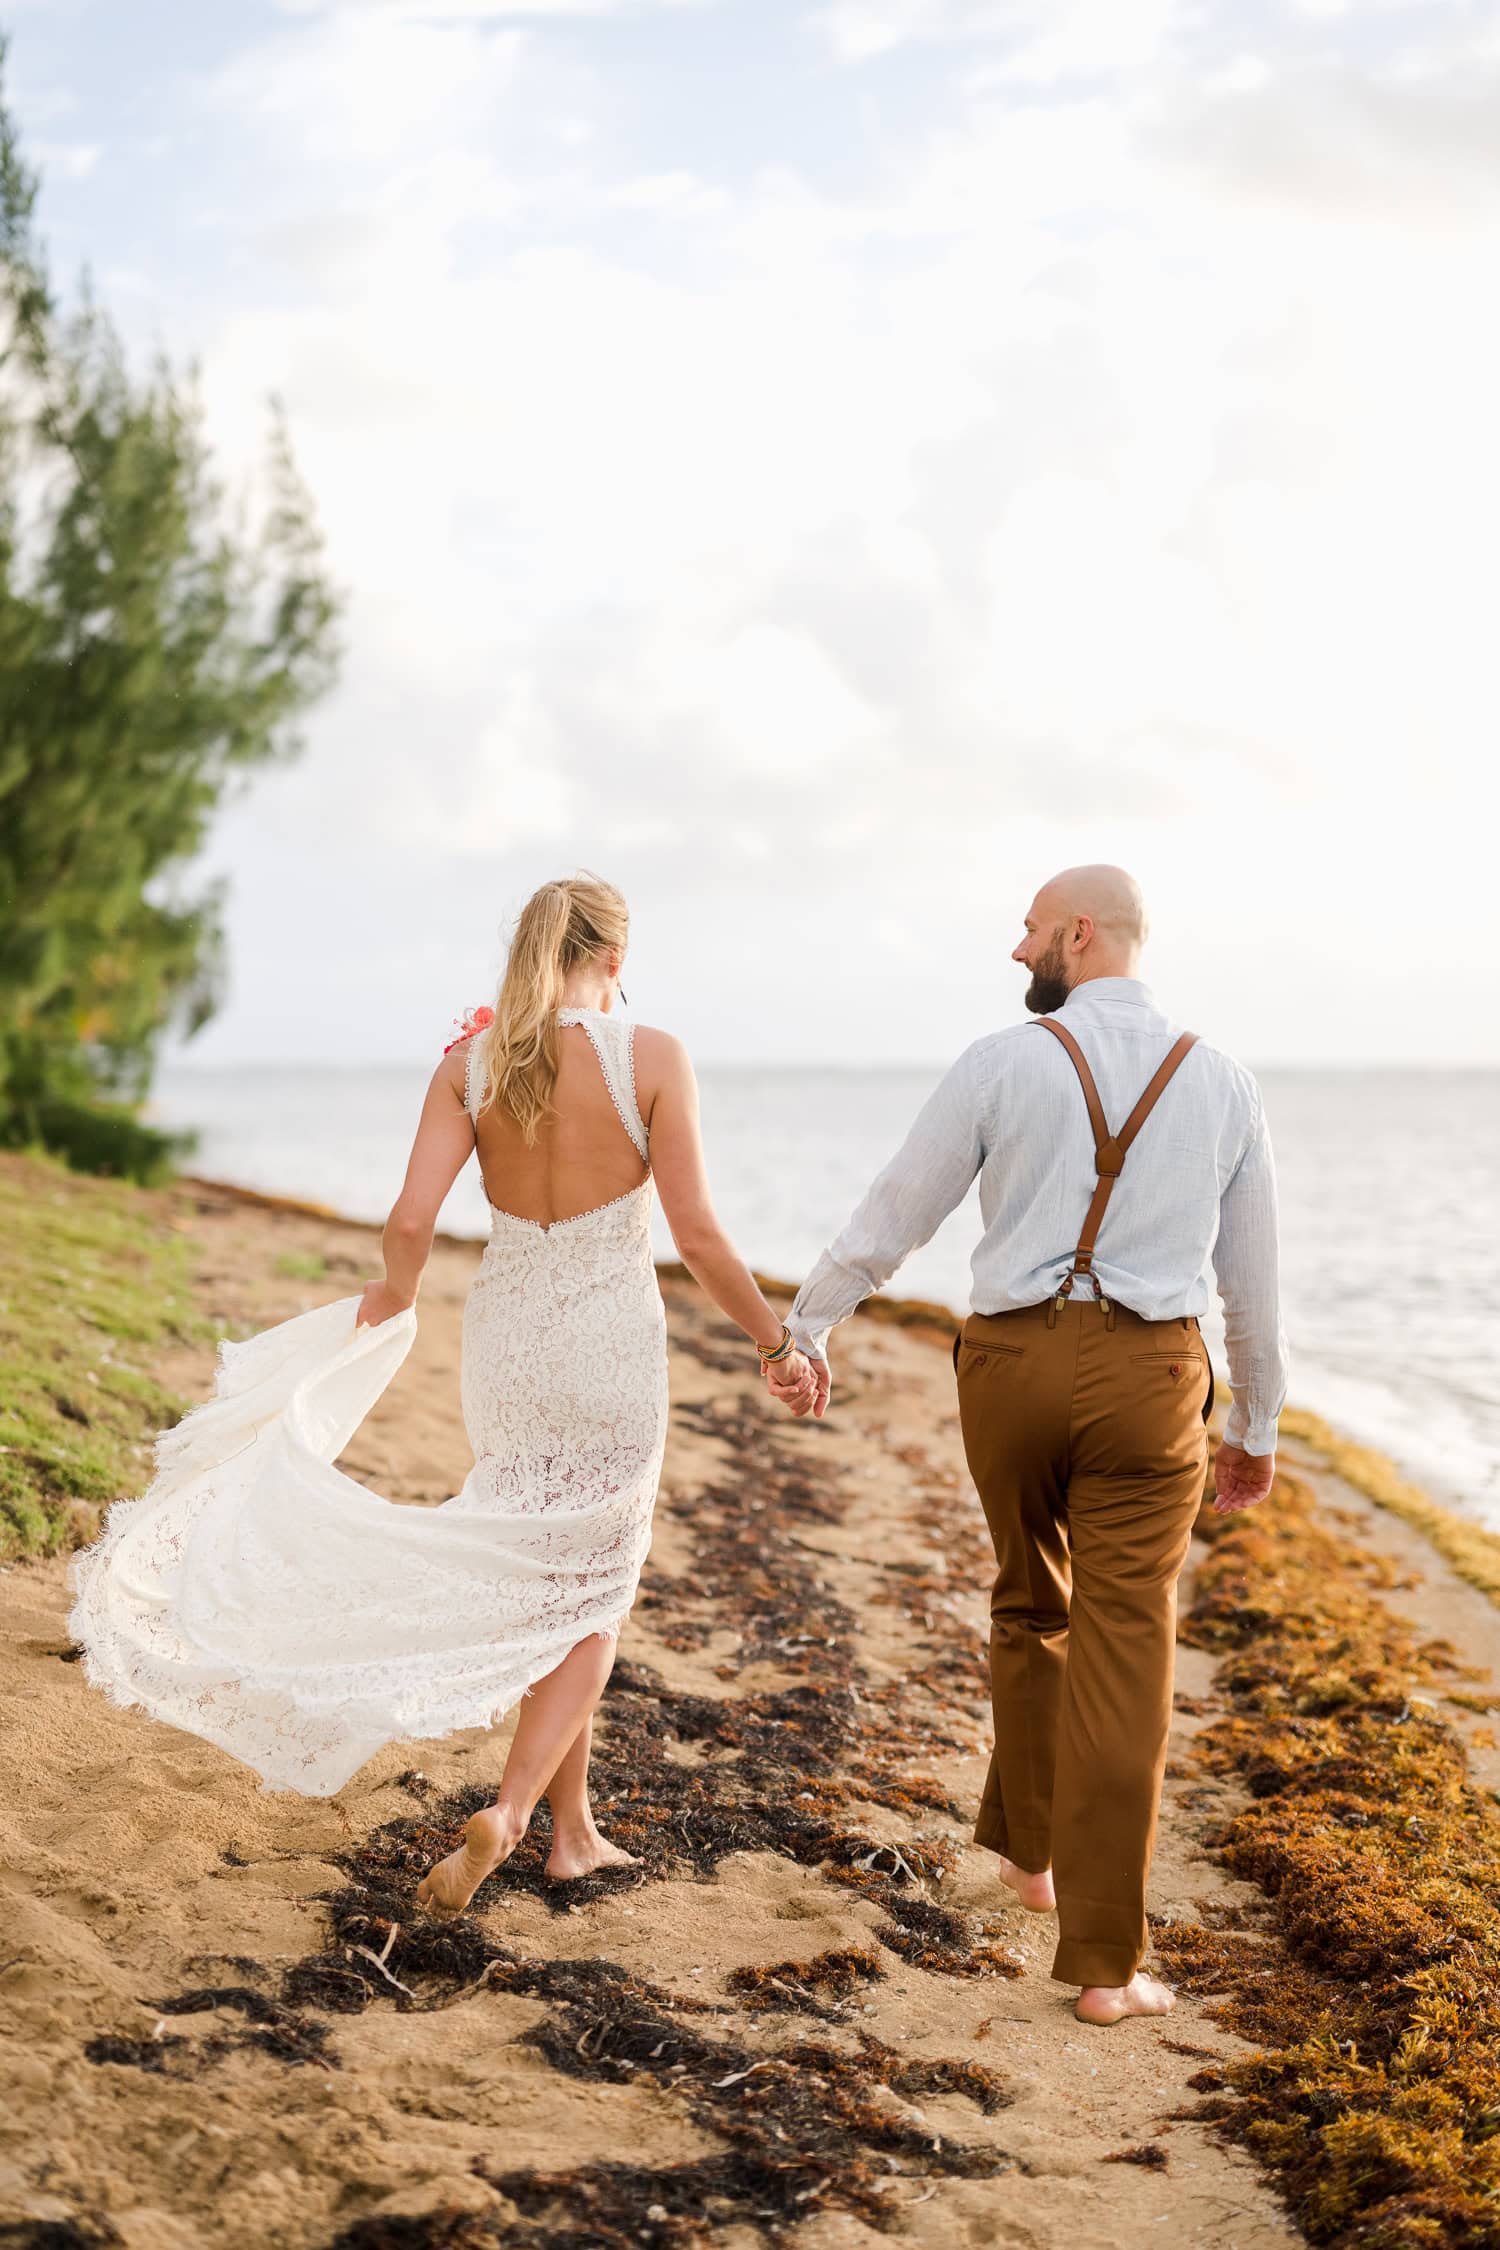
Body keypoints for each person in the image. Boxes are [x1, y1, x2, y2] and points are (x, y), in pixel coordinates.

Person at [69, 874, 816, 1911]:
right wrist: (776, 1340)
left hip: (505, 1340)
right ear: (612, 960)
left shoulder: (473, 1065)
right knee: (596, 1580)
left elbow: (412, 1220)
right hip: (607, 1344)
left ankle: (576, 1833)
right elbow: (694, 1233)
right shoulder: (654, 1058)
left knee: (557, 1568)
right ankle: (512, 1815)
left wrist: (394, 1293)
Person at [768, 865, 1286, 2026]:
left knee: (1027, 1600)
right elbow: (1252, 1283)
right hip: (1152, 1379)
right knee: (1126, 1647)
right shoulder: (1226, 1084)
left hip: (1007, 1369)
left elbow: (898, 1208)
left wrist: (808, 1324)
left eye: (1029, 932)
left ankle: (1031, 1860)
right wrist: (1255, 1424)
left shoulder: (999, 1066)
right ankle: (1104, 1965)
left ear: (1080, 934)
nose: (1018, 952)